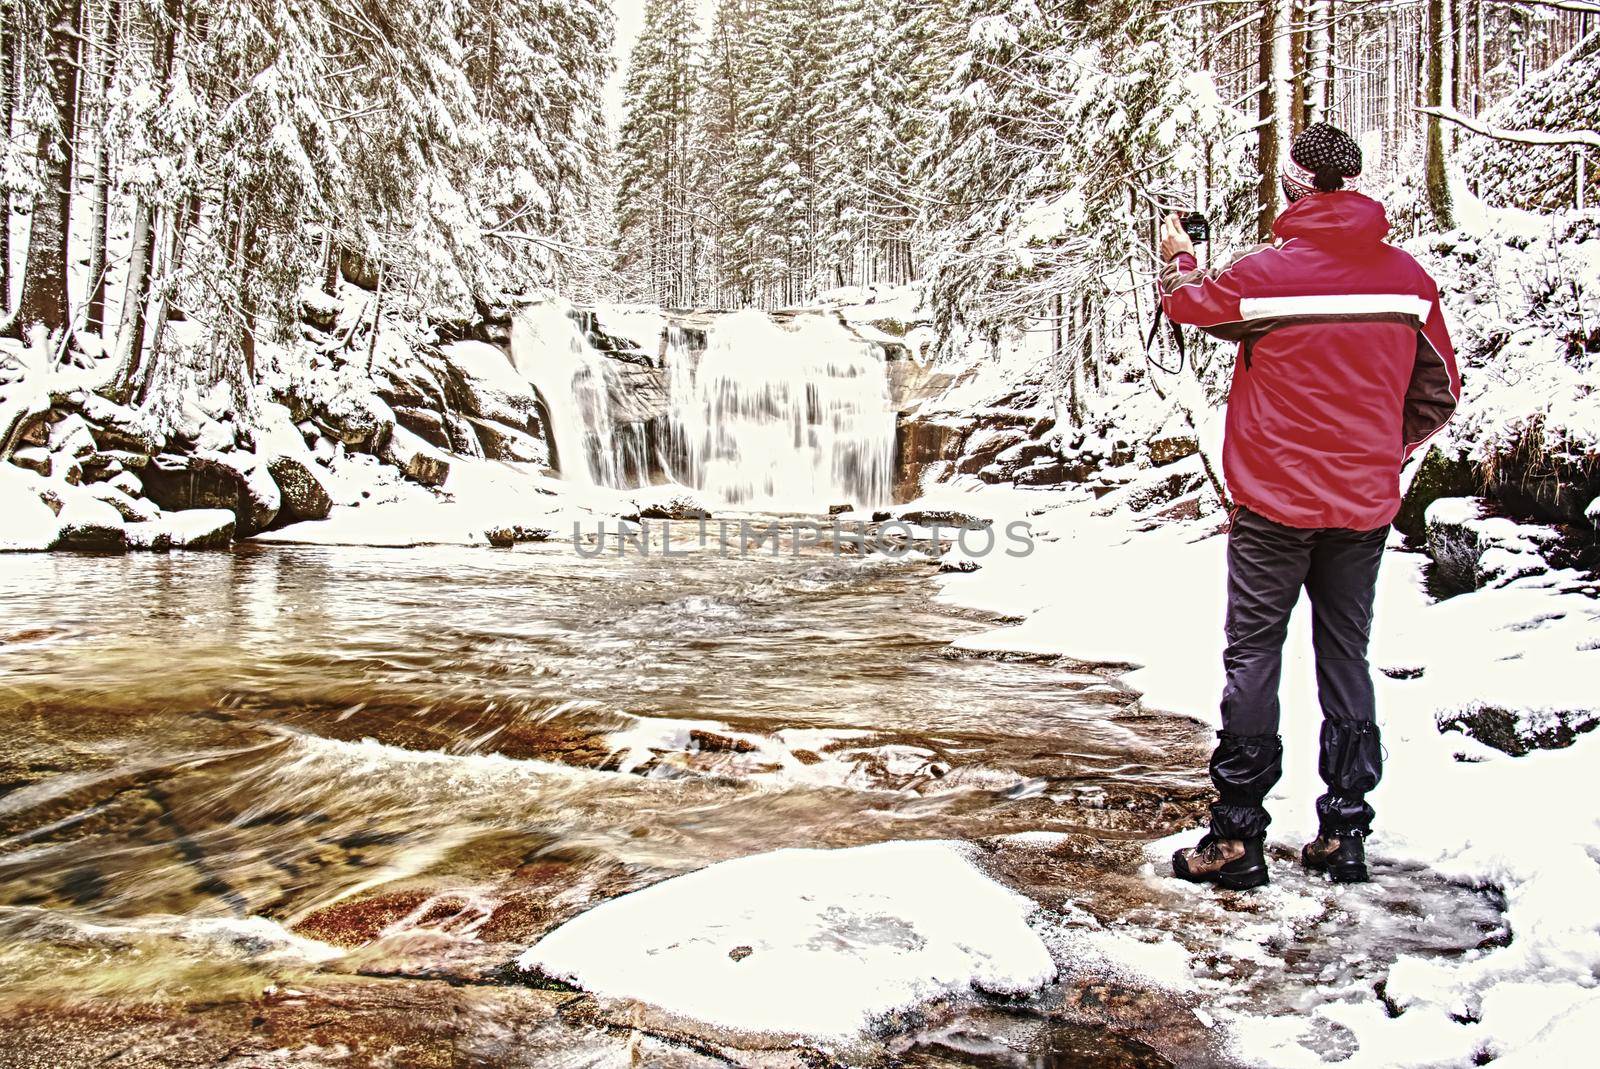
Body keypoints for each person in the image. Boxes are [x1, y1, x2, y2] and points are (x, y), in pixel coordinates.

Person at [1157, 122, 1461, 889]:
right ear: (1354, 184)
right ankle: (1344, 834)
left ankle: (1236, 838)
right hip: (1362, 507)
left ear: (1291, 186)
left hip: (1272, 504)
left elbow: (1189, 306)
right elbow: (1440, 391)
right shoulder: (1408, 282)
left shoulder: (1266, 278)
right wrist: (1381, 452)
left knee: (1254, 654)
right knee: (1345, 657)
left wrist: (1179, 256)